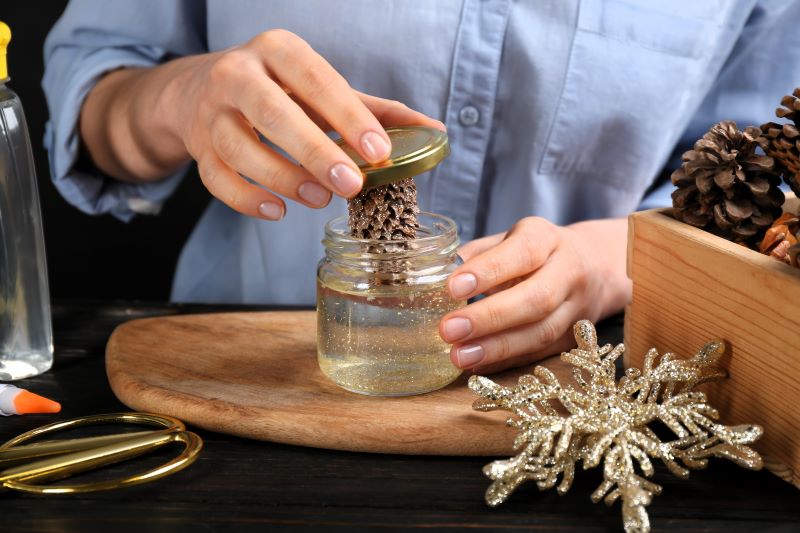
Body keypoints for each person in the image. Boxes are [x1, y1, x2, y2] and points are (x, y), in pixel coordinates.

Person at [43, 1, 800, 374]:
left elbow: (764, 179)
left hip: (585, 378)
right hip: (252, 364)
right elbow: (96, 87)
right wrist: (180, 97)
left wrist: (614, 258)